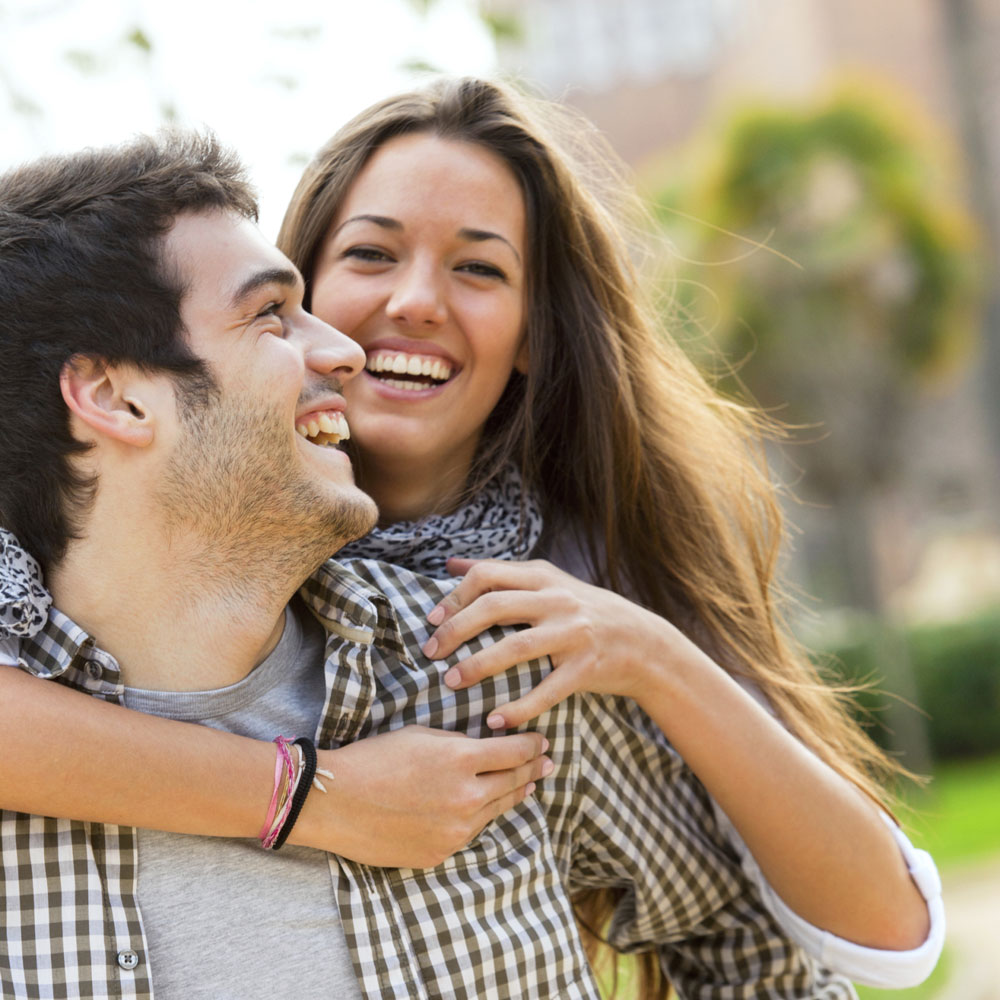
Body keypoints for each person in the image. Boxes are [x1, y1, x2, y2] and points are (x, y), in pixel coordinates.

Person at [0, 78, 942, 998]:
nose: (393, 317)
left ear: (536, 337)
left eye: (480, 267)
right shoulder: (35, 598)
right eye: (366, 259)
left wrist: (655, 653)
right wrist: (318, 796)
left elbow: (831, 940)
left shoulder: (520, 643)